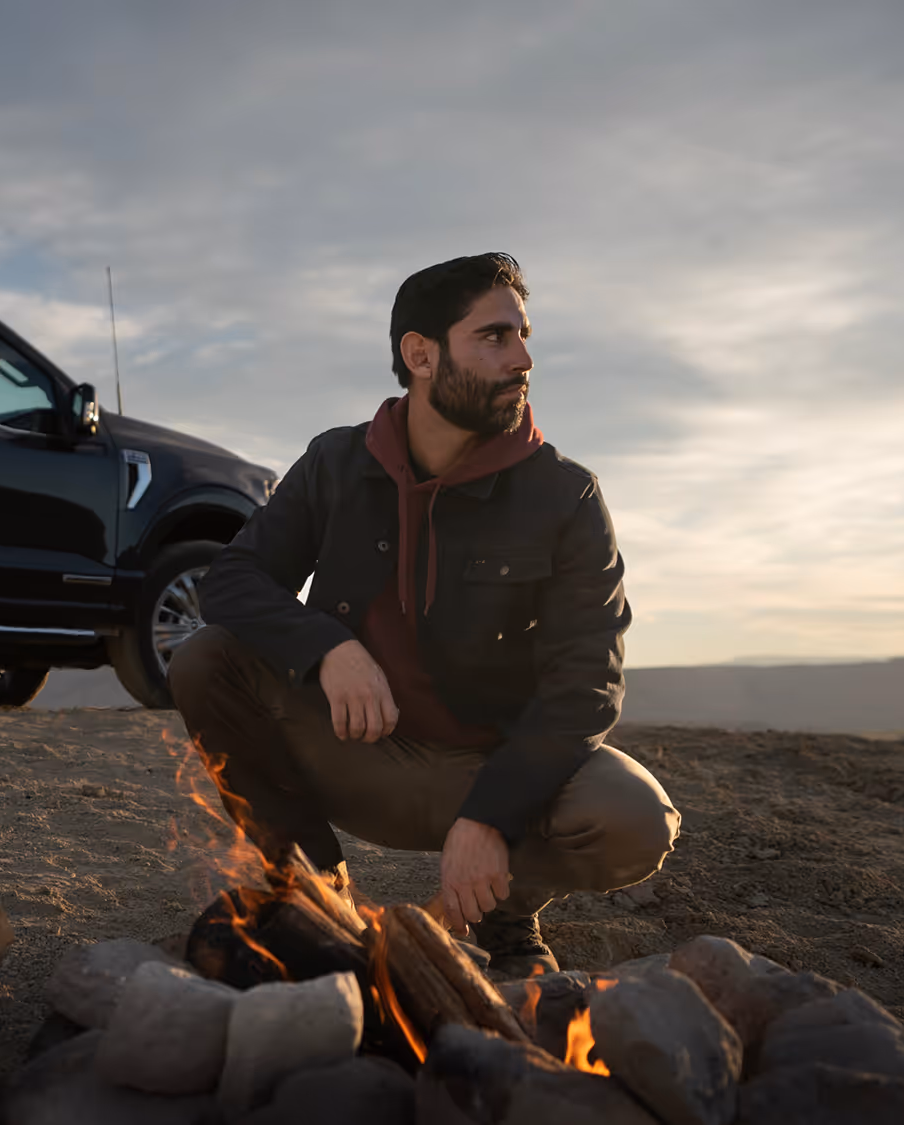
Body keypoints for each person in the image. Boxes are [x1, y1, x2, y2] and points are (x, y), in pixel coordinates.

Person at [167, 252, 680, 976]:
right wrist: (327, 649)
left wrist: (491, 814)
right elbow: (233, 579)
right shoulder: (337, 463)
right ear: (421, 355)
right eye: (494, 337)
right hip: (355, 752)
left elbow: (587, 682)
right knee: (205, 658)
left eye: (523, 335)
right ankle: (313, 891)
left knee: (635, 818)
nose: (523, 358)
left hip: (488, 772)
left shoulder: (565, 496)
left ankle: (506, 914)